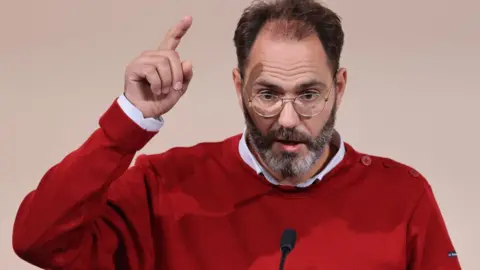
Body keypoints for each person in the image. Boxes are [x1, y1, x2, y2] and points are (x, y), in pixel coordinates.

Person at [12, 0, 461, 269]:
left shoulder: (403, 196)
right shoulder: (163, 188)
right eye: (267, 93)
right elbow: (39, 241)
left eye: (309, 94)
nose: (287, 119)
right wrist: (130, 120)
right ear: (238, 86)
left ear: (338, 87)